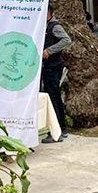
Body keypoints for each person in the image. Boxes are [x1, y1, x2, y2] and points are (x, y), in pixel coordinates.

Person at [39, 11, 72, 144]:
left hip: (53, 66)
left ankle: (55, 132)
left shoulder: (54, 26)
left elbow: (66, 40)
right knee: (55, 97)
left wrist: (49, 51)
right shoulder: (43, 25)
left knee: (52, 97)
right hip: (48, 66)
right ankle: (61, 129)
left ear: (48, 13)